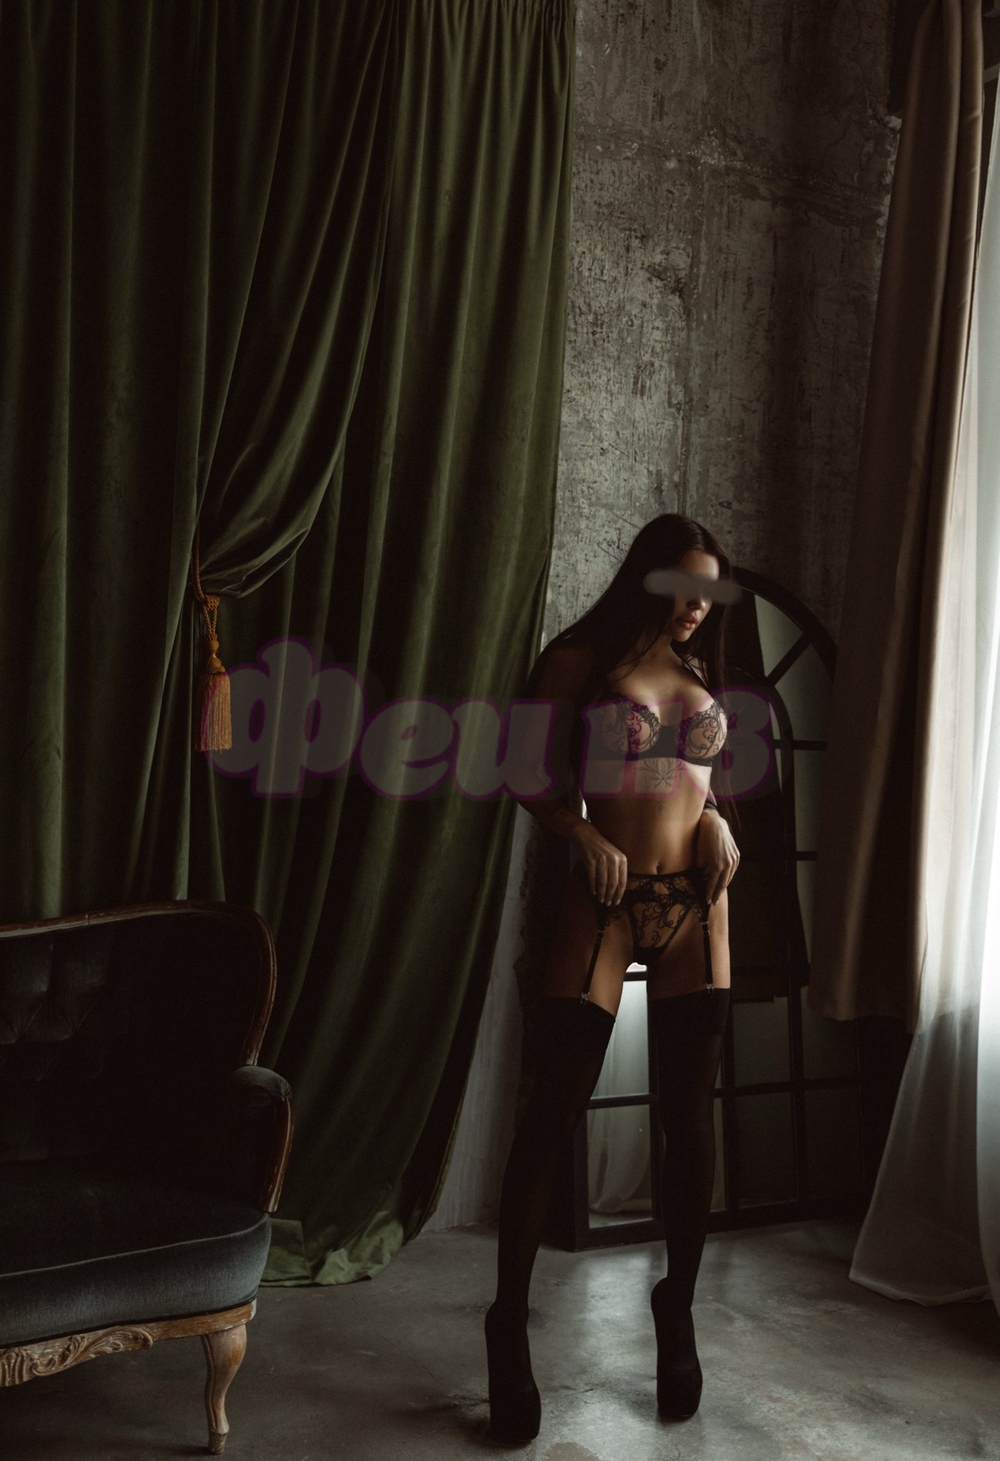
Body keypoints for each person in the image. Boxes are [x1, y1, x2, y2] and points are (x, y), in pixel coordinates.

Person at [484, 513, 741, 1439]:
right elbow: (519, 769)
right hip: (606, 902)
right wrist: (579, 830)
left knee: (690, 1124)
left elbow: (700, 780)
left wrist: (718, 819)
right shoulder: (579, 659)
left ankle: (677, 1305)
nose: (697, 605)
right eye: (683, 586)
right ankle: (507, 1322)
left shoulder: (701, 666)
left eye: (709, 589)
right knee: (551, 1112)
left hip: (696, 907)